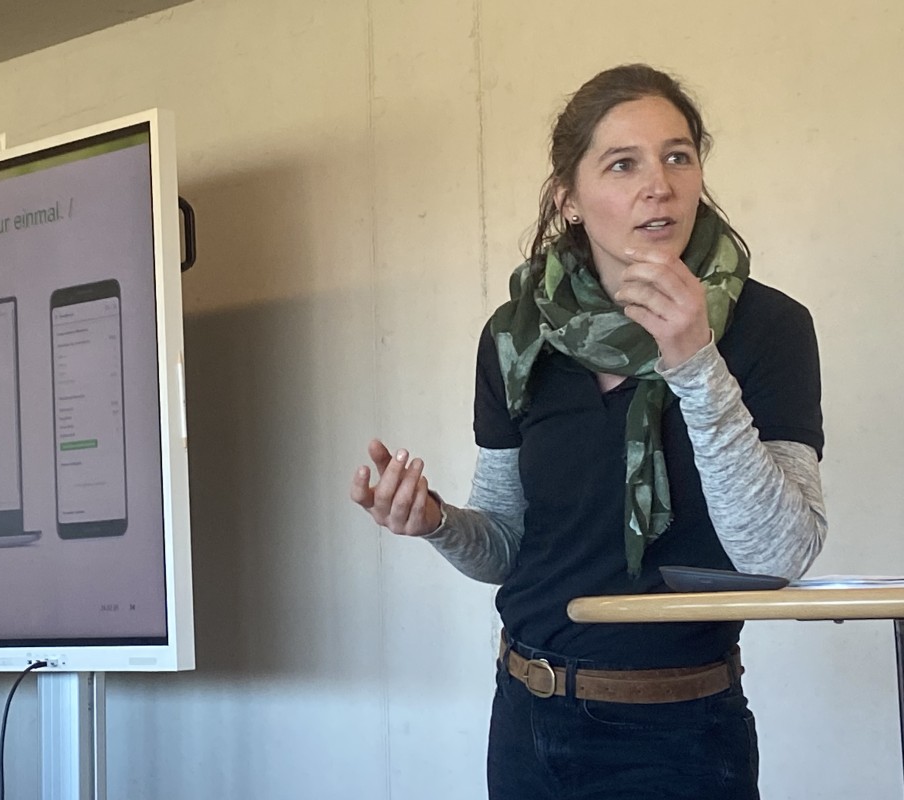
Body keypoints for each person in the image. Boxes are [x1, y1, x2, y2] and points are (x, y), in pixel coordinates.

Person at [349, 64, 826, 800]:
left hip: (682, 735)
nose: (658, 185)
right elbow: (507, 545)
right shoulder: (516, 337)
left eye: (677, 156)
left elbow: (781, 553)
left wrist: (695, 362)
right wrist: (436, 522)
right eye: (623, 164)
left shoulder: (770, 327)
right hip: (527, 718)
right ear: (569, 199)